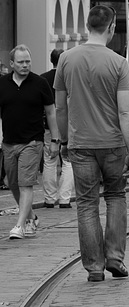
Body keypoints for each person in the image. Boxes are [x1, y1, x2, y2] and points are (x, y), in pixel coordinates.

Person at [55, 5, 129, 281]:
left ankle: (93, 267)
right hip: (113, 143)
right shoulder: (118, 62)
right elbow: (125, 111)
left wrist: (64, 140)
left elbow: (60, 108)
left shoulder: (66, 59)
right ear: (112, 28)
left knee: (87, 204)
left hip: (80, 143)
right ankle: (115, 258)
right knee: (115, 197)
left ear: (88, 26)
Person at [0, 45, 58, 239]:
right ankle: (31, 217)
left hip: (32, 142)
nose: (25, 65)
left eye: (28, 61)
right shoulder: (3, 83)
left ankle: (20, 225)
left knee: (25, 184)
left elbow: (51, 112)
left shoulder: (40, 83)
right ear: (12, 64)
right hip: (9, 142)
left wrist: (56, 140)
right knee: (13, 183)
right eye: (21, 62)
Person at [40, 48, 74, 208]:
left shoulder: (43, 79)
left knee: (49, 160)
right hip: (67, 123)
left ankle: (49, 198)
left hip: (48, 125)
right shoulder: (69, 77)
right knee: (67, 161)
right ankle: (65, 198)